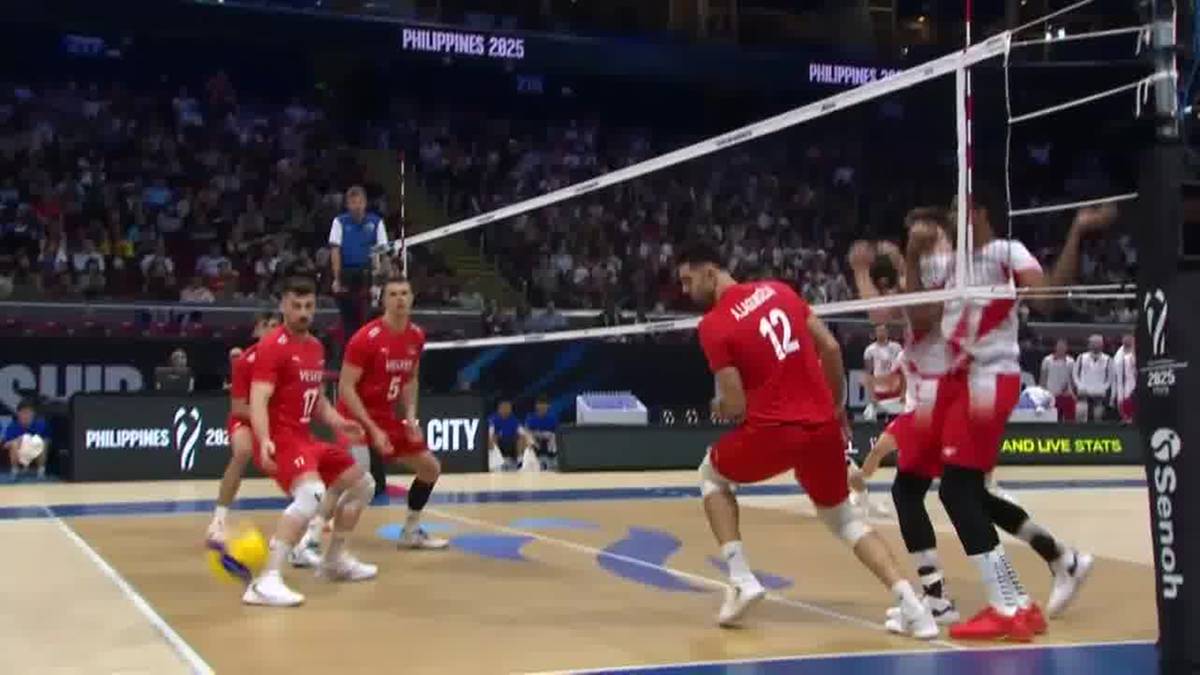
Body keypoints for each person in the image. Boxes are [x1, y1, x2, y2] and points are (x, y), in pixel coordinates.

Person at [849, 206, 1096, 638]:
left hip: (941, 395)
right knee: (965, 493)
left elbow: (893, 314)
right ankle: (1052, 563)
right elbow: (902, 306)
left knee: (933, 491)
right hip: (943, 391)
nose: (913, 239)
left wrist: (867, 268)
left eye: (920, 231)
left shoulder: (952, 266)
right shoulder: (944, 267)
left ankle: (957, 599)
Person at [675, 240, 937, 638]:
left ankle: (741, 579)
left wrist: (718, 406)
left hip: (775, 431)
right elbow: (829, 347)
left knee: (711, 475)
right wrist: (834, 407)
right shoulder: (780, 291)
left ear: (709, 273)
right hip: (822, 428)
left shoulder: (714, 325)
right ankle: (915, 609)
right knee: (844, 518)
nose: (685, 290)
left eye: (687, 280)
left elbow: (736, 404)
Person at [245, 276, 377, 607]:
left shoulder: (316, 347)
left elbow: (316, 399)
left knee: (363, 485)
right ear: (283, 306)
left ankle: (334, 560)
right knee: (311, 494)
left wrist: (339, 423)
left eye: (308, 306)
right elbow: (258, 398)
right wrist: (263, 439)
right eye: (296, 306)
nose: (303, 313)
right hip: (280, 439)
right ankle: (265, 581)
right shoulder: (272, 346)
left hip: (306, 438)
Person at [207, 312, 330, 565]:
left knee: (301, 457)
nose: (274, 330)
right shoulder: (246, 360)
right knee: (243, 451)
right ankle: (218, 519)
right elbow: (239, 406)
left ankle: (295, 526)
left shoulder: (292, 354)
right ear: (258, 330)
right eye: (268, 326)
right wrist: (267, 416)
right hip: (246, 418)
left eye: (277, 325)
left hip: (279, 422)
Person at [336, 275, 448, 550]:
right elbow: (345, 388)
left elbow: (410, 379)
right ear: (384, 300)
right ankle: (312, 537)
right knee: (360, 482)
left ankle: (410, 532)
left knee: (430, 468)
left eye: (404, 293)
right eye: (394, 294)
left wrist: (410, 417)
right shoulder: (366, 338)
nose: (400, 299)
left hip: (386, 416)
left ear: (412, 298)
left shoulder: (416, 336)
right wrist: (371, 429)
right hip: (354, 417)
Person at [329, 186, 389, 336]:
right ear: (347, 205)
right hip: (347, 273)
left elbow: (383, 253)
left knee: (370, 318)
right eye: (353, 203)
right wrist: (337, 279)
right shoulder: (339, 222)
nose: (357, 206)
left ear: (365, 203)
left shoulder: (376, 222)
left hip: (369, 274)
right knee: (349, 319)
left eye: (360, 202)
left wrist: (379, 282)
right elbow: (335, 251)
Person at [862, 324, 904, 422]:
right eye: (879, 331)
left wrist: (903, 391)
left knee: (895, 417)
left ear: (887, 332)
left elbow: (902, 371)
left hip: (894, 387)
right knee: (880, 418)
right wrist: (871, 394)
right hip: (879, 387)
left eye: (883, 330)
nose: (881, 333)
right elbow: (868, 373)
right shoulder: (870, 350)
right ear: (875, 333)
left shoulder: (897, 347)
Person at [3, 399, 49, 479]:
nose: (26, 415)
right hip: (20, 451)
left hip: (36, 449)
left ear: (33, 414)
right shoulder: (12, 426)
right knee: (14, 444)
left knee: (43, 442)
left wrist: (27, 439)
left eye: (29, 412)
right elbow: (6, 445)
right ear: (18, 413)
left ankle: (41, 471)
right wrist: (18, 440)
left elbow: (46, 440)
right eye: (23, 412)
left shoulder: (40, 423)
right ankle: (15, 471)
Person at [1073, 335, 1112, 422]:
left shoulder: (1107, 359)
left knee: (1098, 415)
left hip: (1099, 391)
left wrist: (1103, 387)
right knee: (1080, 412)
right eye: (1093, 343)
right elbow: (1075, 374)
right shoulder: (1081, 357)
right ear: (1089, 345)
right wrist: (1080, 386)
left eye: (1098, 343)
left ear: (1102, 345)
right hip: (1084, 390)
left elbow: (1110, 378)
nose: (1095, 346)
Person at [1040, 340, 1077, 422]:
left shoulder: (1071, 361)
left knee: (1070, 420)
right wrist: (1043, 394)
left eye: (1063, 347)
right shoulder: (1047, 360)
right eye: (1059, 347)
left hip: (1067, 395)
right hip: (1051, 395)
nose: (1061, 349)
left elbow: (1073, 379)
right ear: (1055, 347)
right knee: (1053, 420)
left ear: (1066, 348)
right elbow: (1043, 378)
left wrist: (1074, 393)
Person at [522, 394, 559, 471]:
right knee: (528, 436)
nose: (542, 407)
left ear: (548, 406)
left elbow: (557, 431)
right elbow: (526, 430)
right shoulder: (530, 417)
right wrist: (535, 438)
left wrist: (548, 435)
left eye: (544, 405)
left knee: (553, 436)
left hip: (549, 439)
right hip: (535, 438)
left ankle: (552, 457)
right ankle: (529, 459)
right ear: (536, 406)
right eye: (540, 405)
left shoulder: (553, 418)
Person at [488, 399, 523, 471]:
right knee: (493, 437)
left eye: (508, 408)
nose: (506, 410)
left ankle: (520, 461)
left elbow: (522, 432)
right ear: (499, 409)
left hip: (511, 444)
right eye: (504, 408)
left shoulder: (514, 420)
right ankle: (498, 461)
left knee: (522, 438)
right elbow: (490, 433)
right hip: (498, 443)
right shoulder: (493, 419)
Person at [1111, 334, 1136, 424]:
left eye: (1129, 338)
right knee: (1122, 403)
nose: (1127, 339)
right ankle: (1126, 419)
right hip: (1121, 383)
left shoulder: (1137, 351)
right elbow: (1115, 373)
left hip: (1133, 382)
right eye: (1125, 337)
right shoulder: (1119, 354)